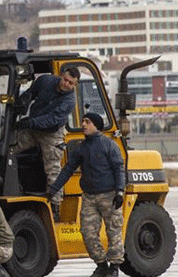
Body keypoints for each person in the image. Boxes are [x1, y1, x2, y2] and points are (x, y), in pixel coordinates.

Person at [47, 113, 125, 277]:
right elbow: (68, 170)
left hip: (109, 196)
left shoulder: (109, 145)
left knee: (114, 232)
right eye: (82, 121)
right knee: (87, 233)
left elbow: (119, 168)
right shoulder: (81, 148)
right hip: (89, 197)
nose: (83, 124)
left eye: (87, 122)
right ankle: (102, 265)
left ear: (96, 125)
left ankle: (114, 268)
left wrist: (119, 192)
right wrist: (53, 189)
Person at [13, 66, 80, 219]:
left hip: (52, 133)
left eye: (71, 83)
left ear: (75, 85)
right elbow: (30, 94)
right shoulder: (44, 81)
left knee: (53, 170)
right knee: (10, 148)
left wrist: (29, 122)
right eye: (65, 80)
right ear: (60, 75)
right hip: (33, 126)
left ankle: (54, 207)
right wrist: (19, 107)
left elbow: (52, 120)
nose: (67, 85)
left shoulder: (69, 100)